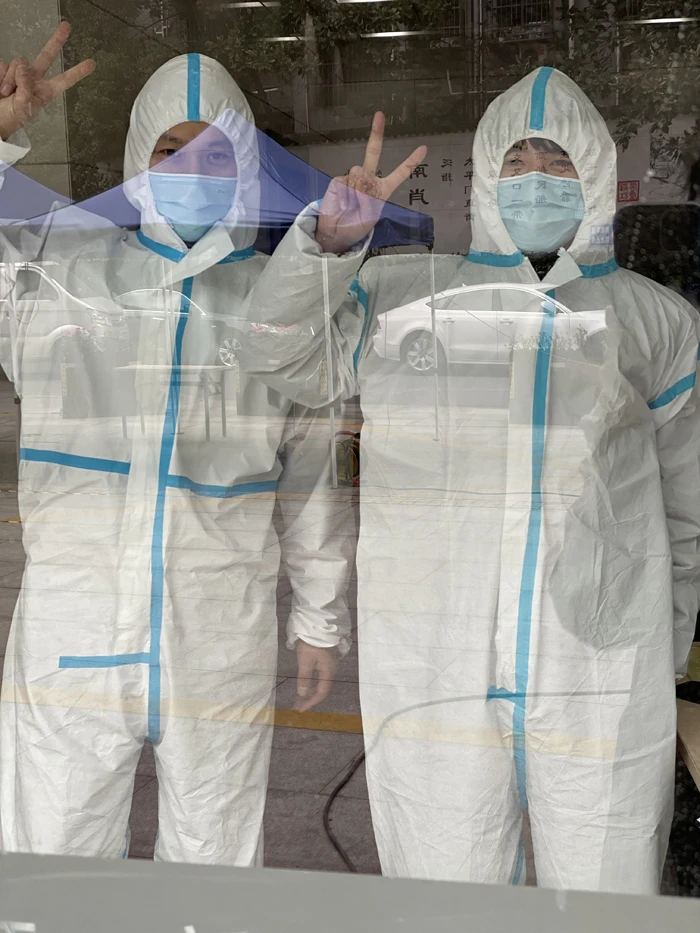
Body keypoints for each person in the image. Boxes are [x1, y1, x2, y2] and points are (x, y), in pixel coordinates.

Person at [243, 66, 700, 893]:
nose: (535, 179)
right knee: (446, 889)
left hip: (599, 660)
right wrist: (328, 246)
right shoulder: (403, 296)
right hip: (434, 656)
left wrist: (663, 647)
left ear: (594, 175)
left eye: (557, 162)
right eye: (516, 161)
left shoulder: (652, 319)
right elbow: (275, 353)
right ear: (487, 175)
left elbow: (686, 503)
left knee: (607, 889)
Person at [0, 23, 421, 863]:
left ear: (244, 171)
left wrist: (319, 616)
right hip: (73, 624)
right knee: (54, 853)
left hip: (218, 632)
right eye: (171, 150)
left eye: (214, 155)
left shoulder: (274, 297)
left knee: (215, 856)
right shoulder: (62, 273)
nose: (190, 170)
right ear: (137, 159)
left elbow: (310, 473)